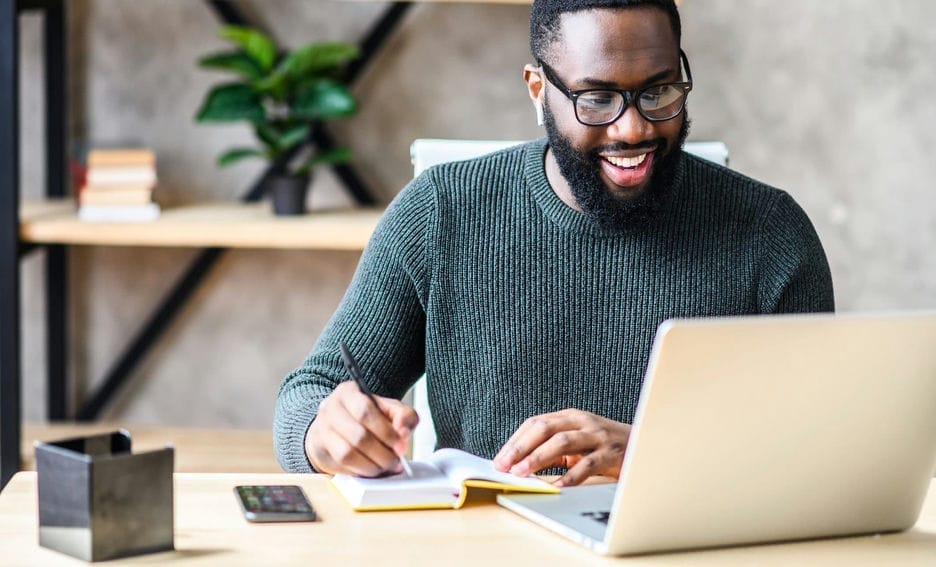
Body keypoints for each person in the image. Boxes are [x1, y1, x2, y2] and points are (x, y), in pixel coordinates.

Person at [274, 0, 834, 487]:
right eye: (596, 99)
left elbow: (821, 448)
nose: (632, 129)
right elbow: (306, 397)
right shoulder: (439, 212)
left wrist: (647, 451)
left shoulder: (769, 232)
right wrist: (326, 432)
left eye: (658, 91)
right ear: (538, 90)